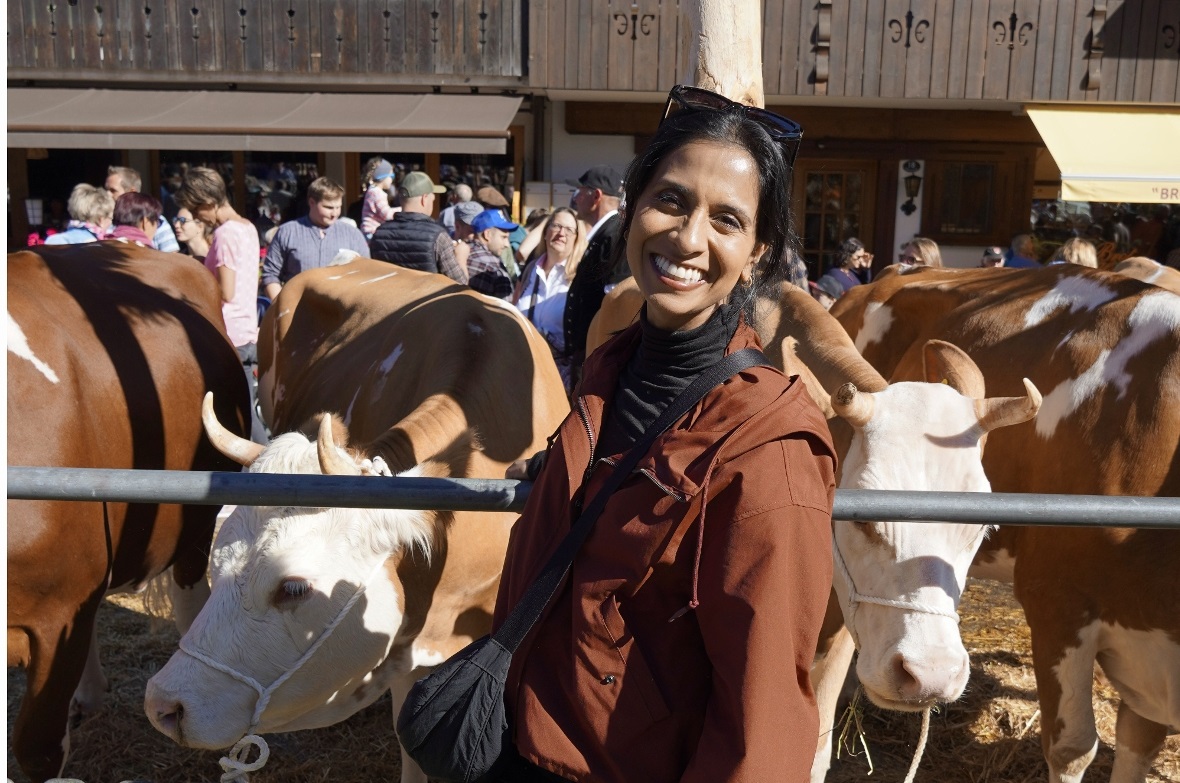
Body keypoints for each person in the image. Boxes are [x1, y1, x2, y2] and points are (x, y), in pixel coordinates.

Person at [492, 85, 835, 783]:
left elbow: (762, 719)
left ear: (758, 255)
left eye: (726, 220)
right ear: (634, 203)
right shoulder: (606, 368)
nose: (686, 237)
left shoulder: (769, 448)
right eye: (671, 200)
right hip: (525, 739)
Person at [174, 166, 267, 444]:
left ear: (209, 203)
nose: (196, 217)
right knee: (244, 413)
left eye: (195, 209)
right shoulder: (247, 227)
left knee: (241, 419)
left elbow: (225, 290)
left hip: (228, 332)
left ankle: (268, 469)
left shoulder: (225, 233)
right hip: (246, 331)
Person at [561, 164, 626, 390]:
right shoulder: (605, 233)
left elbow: (617, 303)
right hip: (590, 356)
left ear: (596, 196)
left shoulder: (614, 234)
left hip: (598, 361)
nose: (575, 198)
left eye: (579, 191)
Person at [261, 177, 370, 301]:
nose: (334, 213)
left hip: (341, 313)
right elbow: (270, 275)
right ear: (311, 202)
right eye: (328, 207)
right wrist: (282, 308)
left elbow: (367, 275)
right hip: (299, 311)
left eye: (338, 207)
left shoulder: (353, 235)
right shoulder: (287, 232)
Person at [512, 207, 584, 390]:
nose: (561, 233)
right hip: (520, 367)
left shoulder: (580, 279)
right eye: (556, 226)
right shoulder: (530, 270)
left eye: (569, 230)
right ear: (545, 232)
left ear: (576, 239)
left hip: (557, 380)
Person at [370, 172, 468, 284]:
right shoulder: (438, 236)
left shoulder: (379, 233)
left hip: (388, 300)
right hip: (427, 301)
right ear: (424, 199)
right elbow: (460, 285)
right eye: (433, 199)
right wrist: (461, 256)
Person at [105, 165, 180, 252]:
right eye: (106, 189)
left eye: (113, 190)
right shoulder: (102, 220)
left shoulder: (155, 220)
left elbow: (172, 258)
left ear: (132, 192)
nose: (107, 195)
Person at [463, 209, 516, 300]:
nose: (507, 244)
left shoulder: (458, 253)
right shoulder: (496, 271)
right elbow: (506, 310)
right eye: (503, 237)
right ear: (487, 234)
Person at [45, 184, 114, 245]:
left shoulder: (52, 241)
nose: (111, 223)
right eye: (110, 218)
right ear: (100, 220)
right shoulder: (101, 247)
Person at [360, 159, 398, 240]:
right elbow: (386, 215)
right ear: (382, 177)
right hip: (371, 233)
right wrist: (403, 210)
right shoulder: (376, 193)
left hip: (371, 232)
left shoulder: (374, 191)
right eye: (391, 176)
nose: (392, 179)